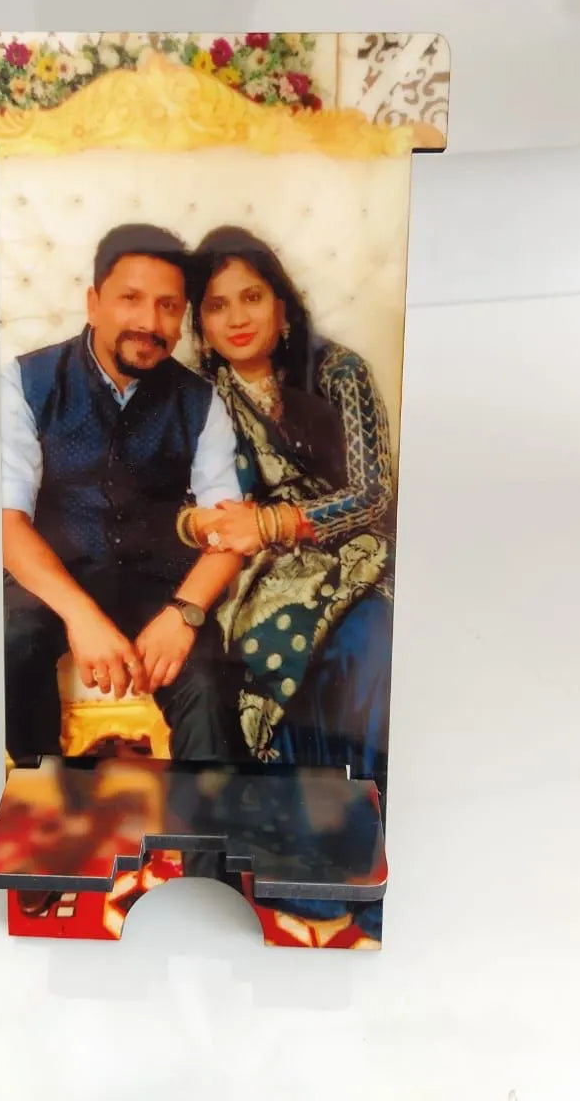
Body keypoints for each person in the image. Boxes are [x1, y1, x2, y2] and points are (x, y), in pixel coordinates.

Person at [0, 222, 246, 766]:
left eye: (167, 307)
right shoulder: (27, 381)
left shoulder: (202, 402)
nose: (149, 323)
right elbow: (6, 522)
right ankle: (47, 796)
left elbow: (230, 530)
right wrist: (81, 616)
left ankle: (203, 822)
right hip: (54, 578)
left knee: (209, 686)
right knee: (11, 642)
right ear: (94, 303)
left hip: (158, 585)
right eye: (130, 299)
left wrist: (185, 613)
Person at [183, 225, 395, 802]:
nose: (237, 318)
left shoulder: (338, 372)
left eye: (251, 297)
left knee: (365, 646)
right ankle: (299, 832)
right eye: (217, 306)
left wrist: (273, 522)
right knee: (259, 654)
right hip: (258, 576)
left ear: (281, 305)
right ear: (201, 324)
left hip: (360, 558)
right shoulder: (197, 397)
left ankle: (364, 818)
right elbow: (180, 504)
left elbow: (374, 493)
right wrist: (203, 523)